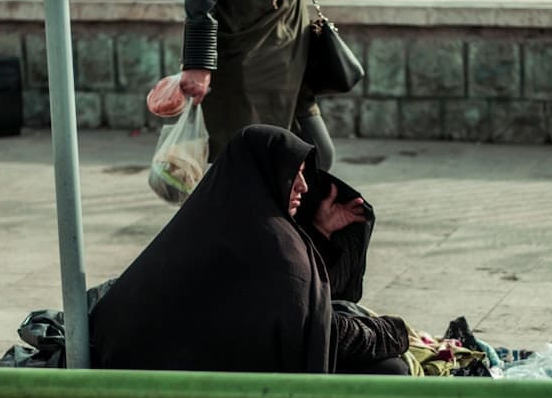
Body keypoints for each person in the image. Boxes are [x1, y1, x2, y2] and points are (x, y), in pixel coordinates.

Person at [88, 124, 408, 374]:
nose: (304, 186)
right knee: (390, 370)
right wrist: (393, 333)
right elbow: (317, 331)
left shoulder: (216, 220)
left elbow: (302, 301)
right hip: (195, 383)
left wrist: (321, 230)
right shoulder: (273, 247)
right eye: (293, 174)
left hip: (143, 362)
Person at [175, 0, 336, 170]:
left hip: (291, 59)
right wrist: (198, 61)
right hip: (248, 66)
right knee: (252, 173)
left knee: (318, 156)